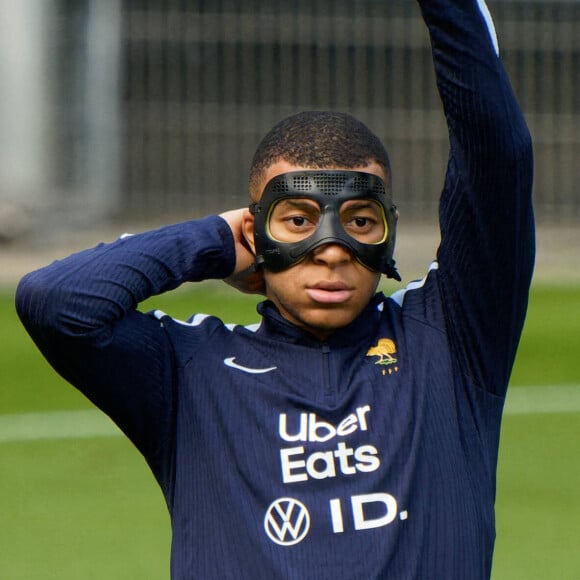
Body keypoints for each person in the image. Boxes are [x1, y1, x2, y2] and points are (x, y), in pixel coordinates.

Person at [15, 0, 535, 578]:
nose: (332, 249)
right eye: (297, 220)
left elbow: (499, 154)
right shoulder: (189, 371)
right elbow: (58, 303)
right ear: (255, 228)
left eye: (360, 221)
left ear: (389, 232)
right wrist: (212, 239)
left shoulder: (450, 338)